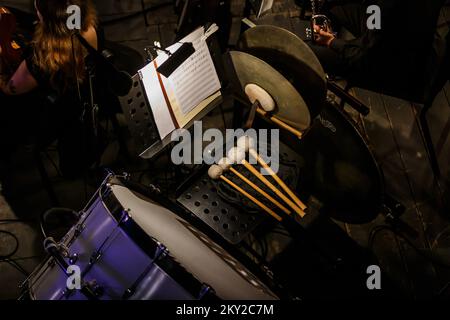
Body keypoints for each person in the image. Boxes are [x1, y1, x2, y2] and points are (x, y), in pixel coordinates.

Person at [0, 0, 99, 177]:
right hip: (81, 98)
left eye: (38, 11)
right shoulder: (89, 29)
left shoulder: (41, 58)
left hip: (50, 119)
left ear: (47, 20)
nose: (36, 13)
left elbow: (10, 89)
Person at [308, 0, 446, 99]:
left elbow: (363, 57)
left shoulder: (385, 8)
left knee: (309, 52)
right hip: (394, 31)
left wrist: (332, 42)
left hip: (390, 66)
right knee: (333, 7)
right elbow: (375, 15)